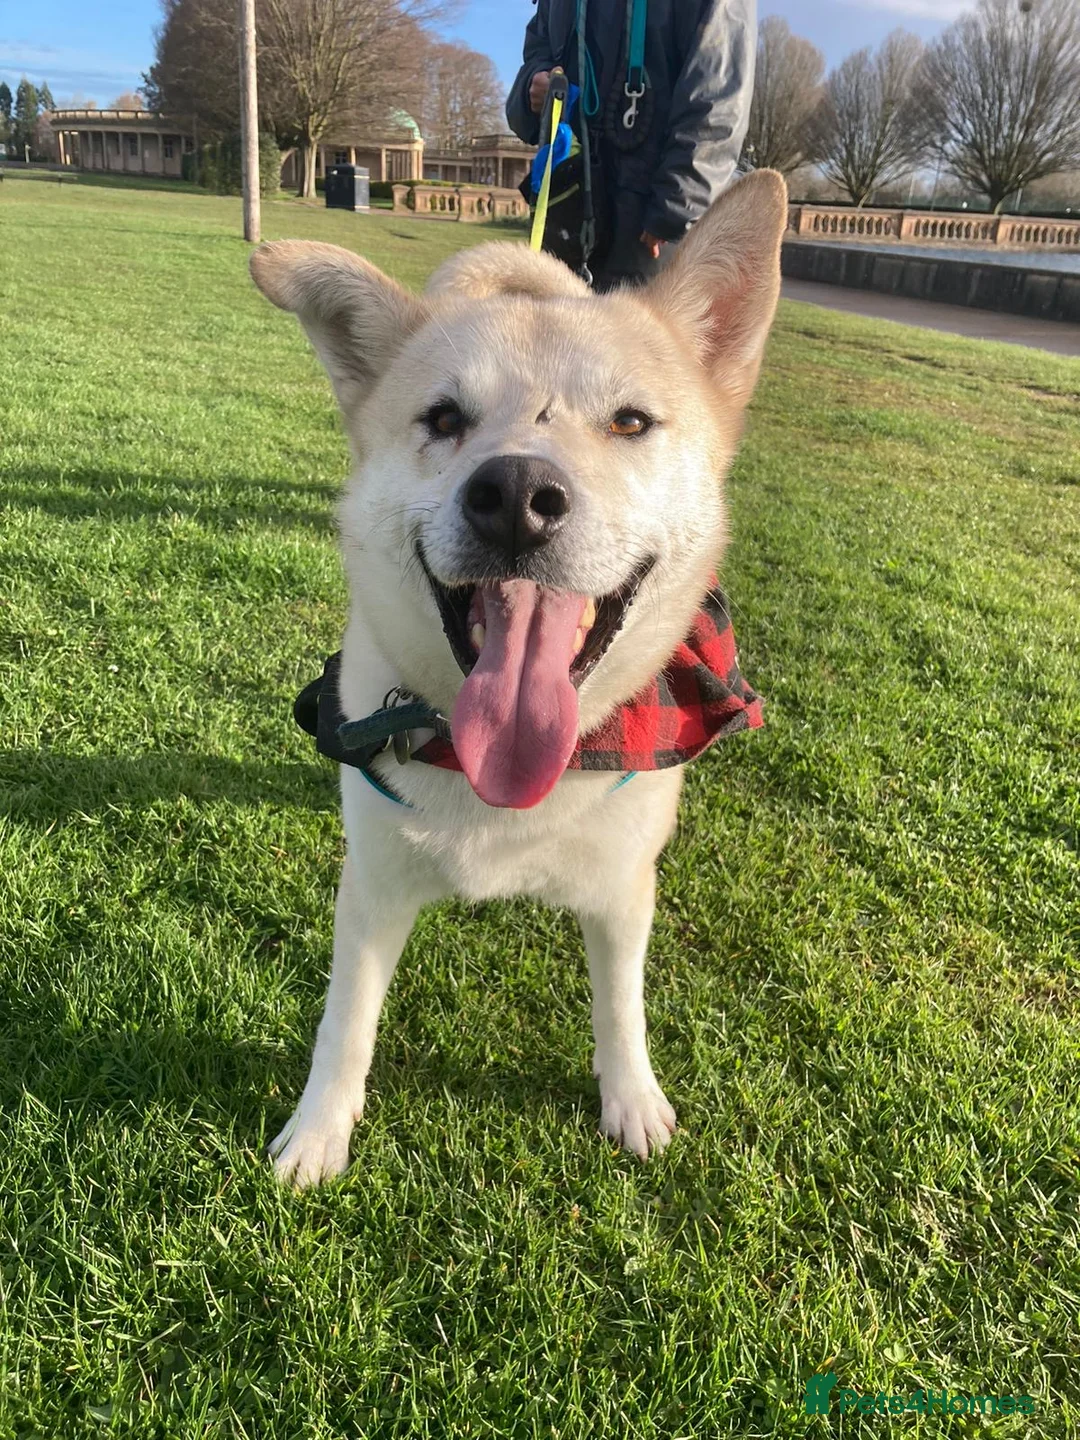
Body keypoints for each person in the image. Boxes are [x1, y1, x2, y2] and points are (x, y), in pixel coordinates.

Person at [506, 0, 756, 290]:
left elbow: (718, 96)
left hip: (650, 221)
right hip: (568, 205)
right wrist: (531, 89)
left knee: (636, 334)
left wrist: (675, 209)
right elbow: (539, 51)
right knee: (555, 330)